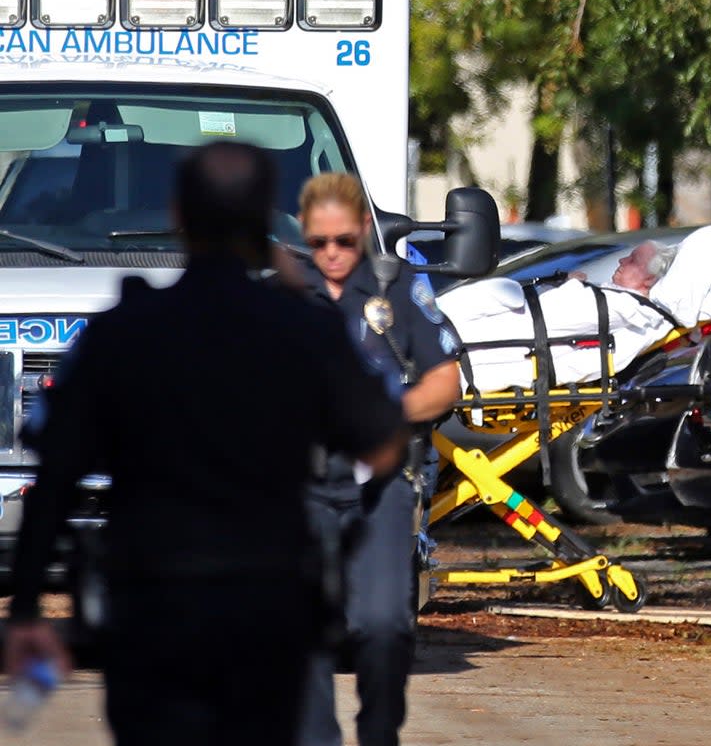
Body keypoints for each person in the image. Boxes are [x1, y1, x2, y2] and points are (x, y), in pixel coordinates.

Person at [3, 141, 411, 746]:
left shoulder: (123, 333)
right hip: (268, 606)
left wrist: (30, 606)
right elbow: (383, 446)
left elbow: (56, 475)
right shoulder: (303, 331)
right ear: (267, 221)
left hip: (152, 608)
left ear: (177, 216)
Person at [295, 172, 461, 746]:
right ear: (304, 234)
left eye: (344, 241)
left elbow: (445, 382)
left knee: (386, 625)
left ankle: (378, 730)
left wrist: (390, 415)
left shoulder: (397, 288)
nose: (333, 254)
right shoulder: (284, 296)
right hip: (303, 485)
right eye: (319, 243)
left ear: (365, 230)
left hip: (380, 479)